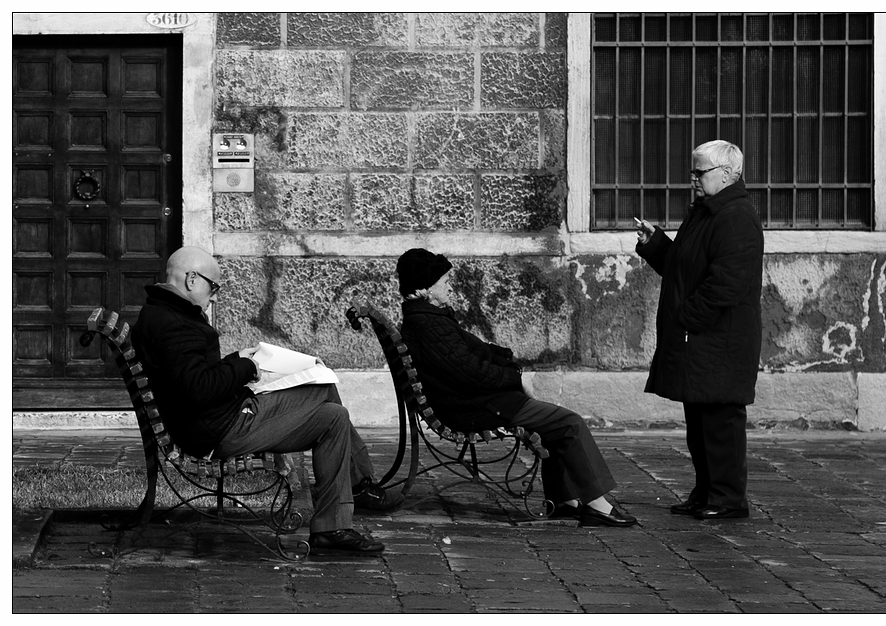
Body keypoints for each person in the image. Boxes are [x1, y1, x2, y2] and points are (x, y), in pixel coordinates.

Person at [132, 246, 402, 556]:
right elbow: (199, 389)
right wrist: (245, 367)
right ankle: (351, 497)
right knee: (323, 383)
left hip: (214, 421)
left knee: (333, 416)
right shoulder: (175, 324)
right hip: (220, 429)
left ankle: (336, 521)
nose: (216, 296)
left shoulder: (162, 312)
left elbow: (191, 376)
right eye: (214, 286)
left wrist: (236, 359)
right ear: (192, 279)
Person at [395, 248, 637, 528]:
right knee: (569, 424)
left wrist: (509, 364)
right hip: (475, 407)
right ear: (425, 287)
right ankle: (596, 505)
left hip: (474, 402)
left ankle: (566, 501)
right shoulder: (428, 325)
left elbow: (474, 353)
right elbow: (471, 373)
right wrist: (515, 378)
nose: (450, 286)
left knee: (556, 424)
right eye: (445, 281)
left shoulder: (429, 319)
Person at [635, 140, 764, 521]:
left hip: (719, 339)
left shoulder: (736, 217)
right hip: (702, 339)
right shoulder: (705, 212)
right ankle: (707, 492)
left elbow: (727, 284)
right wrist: (656, 243)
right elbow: (683, 268)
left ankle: (727, 498)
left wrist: (688, 316)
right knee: (699, 423)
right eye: (693, 172)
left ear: (727, 174)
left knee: (721, 422)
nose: (693, 179)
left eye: (700, 172)